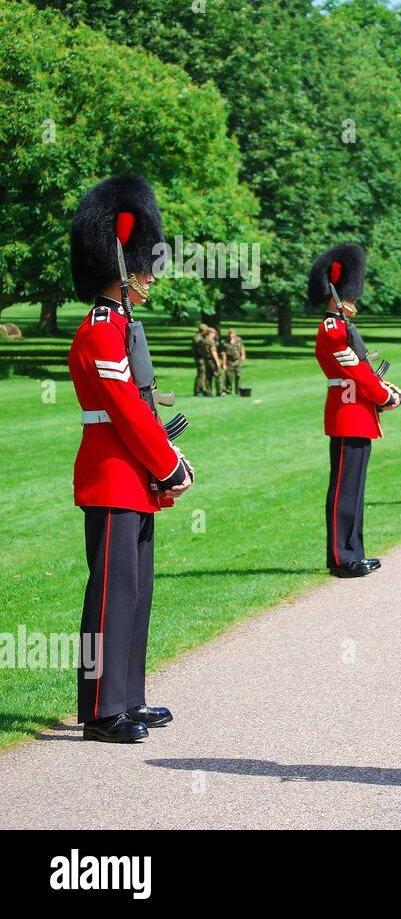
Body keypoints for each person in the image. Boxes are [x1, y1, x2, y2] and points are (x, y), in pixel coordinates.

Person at [68, 175, 194, 743]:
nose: (150, 277)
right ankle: (100, 708)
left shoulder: (122, 327)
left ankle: (129, 697)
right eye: (142, 265)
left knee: (136, 591)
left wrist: (163, 459)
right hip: (113, 475)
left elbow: (141, 411)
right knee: (110, 594)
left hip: (134, 477)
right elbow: (124, 412)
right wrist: (168, 465)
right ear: (120, 267)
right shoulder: (100, 330)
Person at [310, 244, 401, 578]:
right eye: (350, 294)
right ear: (337, 294)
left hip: (358, 414)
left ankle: (354, 550)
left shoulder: (342, 327)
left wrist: (381, 392)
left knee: (354, 488)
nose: (355, 300)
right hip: (348, 413)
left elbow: (362, 370)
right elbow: (355, 373)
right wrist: (385, 395)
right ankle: (341, 556)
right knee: (343, 489)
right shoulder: (331, 329)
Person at [221, 327, 245, 396]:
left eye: (232, 334)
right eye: (229, 334)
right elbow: (224, 354)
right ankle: (228, 390)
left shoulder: (239, 340)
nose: (231, 335)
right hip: (229, 361)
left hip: (237, 360)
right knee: (229, 377)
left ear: (235, 334)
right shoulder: (225, 342)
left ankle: (238, 390)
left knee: (238, 375)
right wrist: (224, 363)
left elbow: (242, 347)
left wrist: (243, 355)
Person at [191, 323, 212, 396]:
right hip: (200, 358)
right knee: (201, 375)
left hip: (201, 358)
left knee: (202, 374)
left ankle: (200, 389)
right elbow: (200, 349)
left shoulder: (199, 337)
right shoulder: (198, 338)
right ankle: (198, 390)